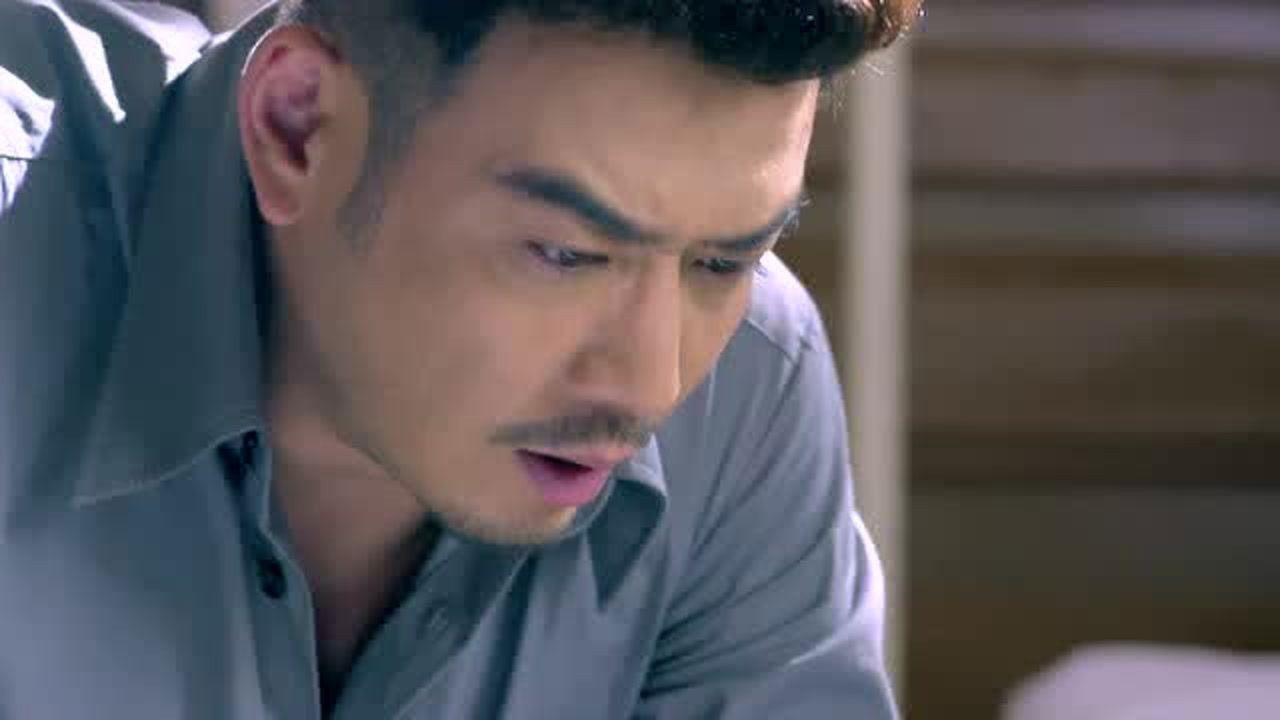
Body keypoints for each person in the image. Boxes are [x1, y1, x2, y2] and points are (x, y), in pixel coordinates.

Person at [0, 0, 918, 717]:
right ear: (297, 127)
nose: (653, 387)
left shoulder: (751, 385)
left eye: (722, 263)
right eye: (566, 253)